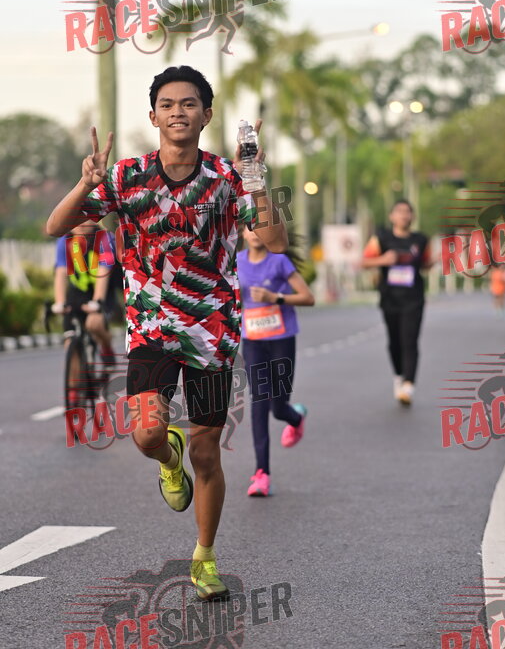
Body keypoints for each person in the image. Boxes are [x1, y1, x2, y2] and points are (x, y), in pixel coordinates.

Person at [46, 65, 288, 601]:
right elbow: (55, 226)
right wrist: (86, 183)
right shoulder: (127, 176)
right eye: (168, 104)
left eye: (189, 103)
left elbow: (275, 242)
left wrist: (255, 179)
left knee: (208, 454)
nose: (178, 112)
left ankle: (205, 557)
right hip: (151, 328)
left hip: (212, 331)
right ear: (153, 116)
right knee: (148, 436)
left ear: (207, 114)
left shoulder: (226, 177)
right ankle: (167, 460)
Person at [237, 227, 315, 497]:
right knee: (259, 402)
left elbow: (308, 297)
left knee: (278, 407)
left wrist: (275, 298)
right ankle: (262, 473)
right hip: (253, 341)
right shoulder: (236, 262)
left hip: (282, 339)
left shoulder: (279, 261)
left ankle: (295, 417)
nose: (255, 232)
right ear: (243, 233)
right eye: (250, 227)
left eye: (260, 227)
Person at [361, 199, 432, 405]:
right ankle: (399, 376)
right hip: (390, 298)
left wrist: (435, 261)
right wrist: (383, 260)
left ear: (413, 216)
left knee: (410, 340)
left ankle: (409, 385)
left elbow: (425, 264)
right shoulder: (381, 238)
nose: (403, 215)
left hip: (414, 299)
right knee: (394, 342)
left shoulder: (421, 240)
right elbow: (364, 262)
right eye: (399, 211)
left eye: (407, 211)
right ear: (392, 216)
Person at [52, 220, 117, 406]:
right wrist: (59, 303)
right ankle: (74, 389)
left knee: (93, 324)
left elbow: (103, 273)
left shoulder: (105, 239)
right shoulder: (64, 241)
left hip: (101, 292)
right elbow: (60, 273)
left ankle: (106, 348)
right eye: (76, 218)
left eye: (86, 218)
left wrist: (97, 302)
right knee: (69, 341)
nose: (80, 223)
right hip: (77, 294)